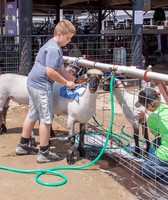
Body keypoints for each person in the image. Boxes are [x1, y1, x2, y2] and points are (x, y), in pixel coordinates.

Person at [15, 19, 76, 163]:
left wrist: (75, 80)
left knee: (33, 114)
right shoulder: (55, 49)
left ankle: (23, 145)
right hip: (42, 85)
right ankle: (44, 152)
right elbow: (50, 72)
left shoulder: (52, 45)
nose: (69, 41)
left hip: (32, 83)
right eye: (68, 38)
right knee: (46, 119)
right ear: (60, 34)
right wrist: (66, 82)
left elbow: (61, 69)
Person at [136, 88, 168, 184]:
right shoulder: (166, 106)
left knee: (145, 168)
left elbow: (155, 133)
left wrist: (145, 116)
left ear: (149, 106)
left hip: (166, 153)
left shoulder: (153, 118)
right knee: (156, 142)